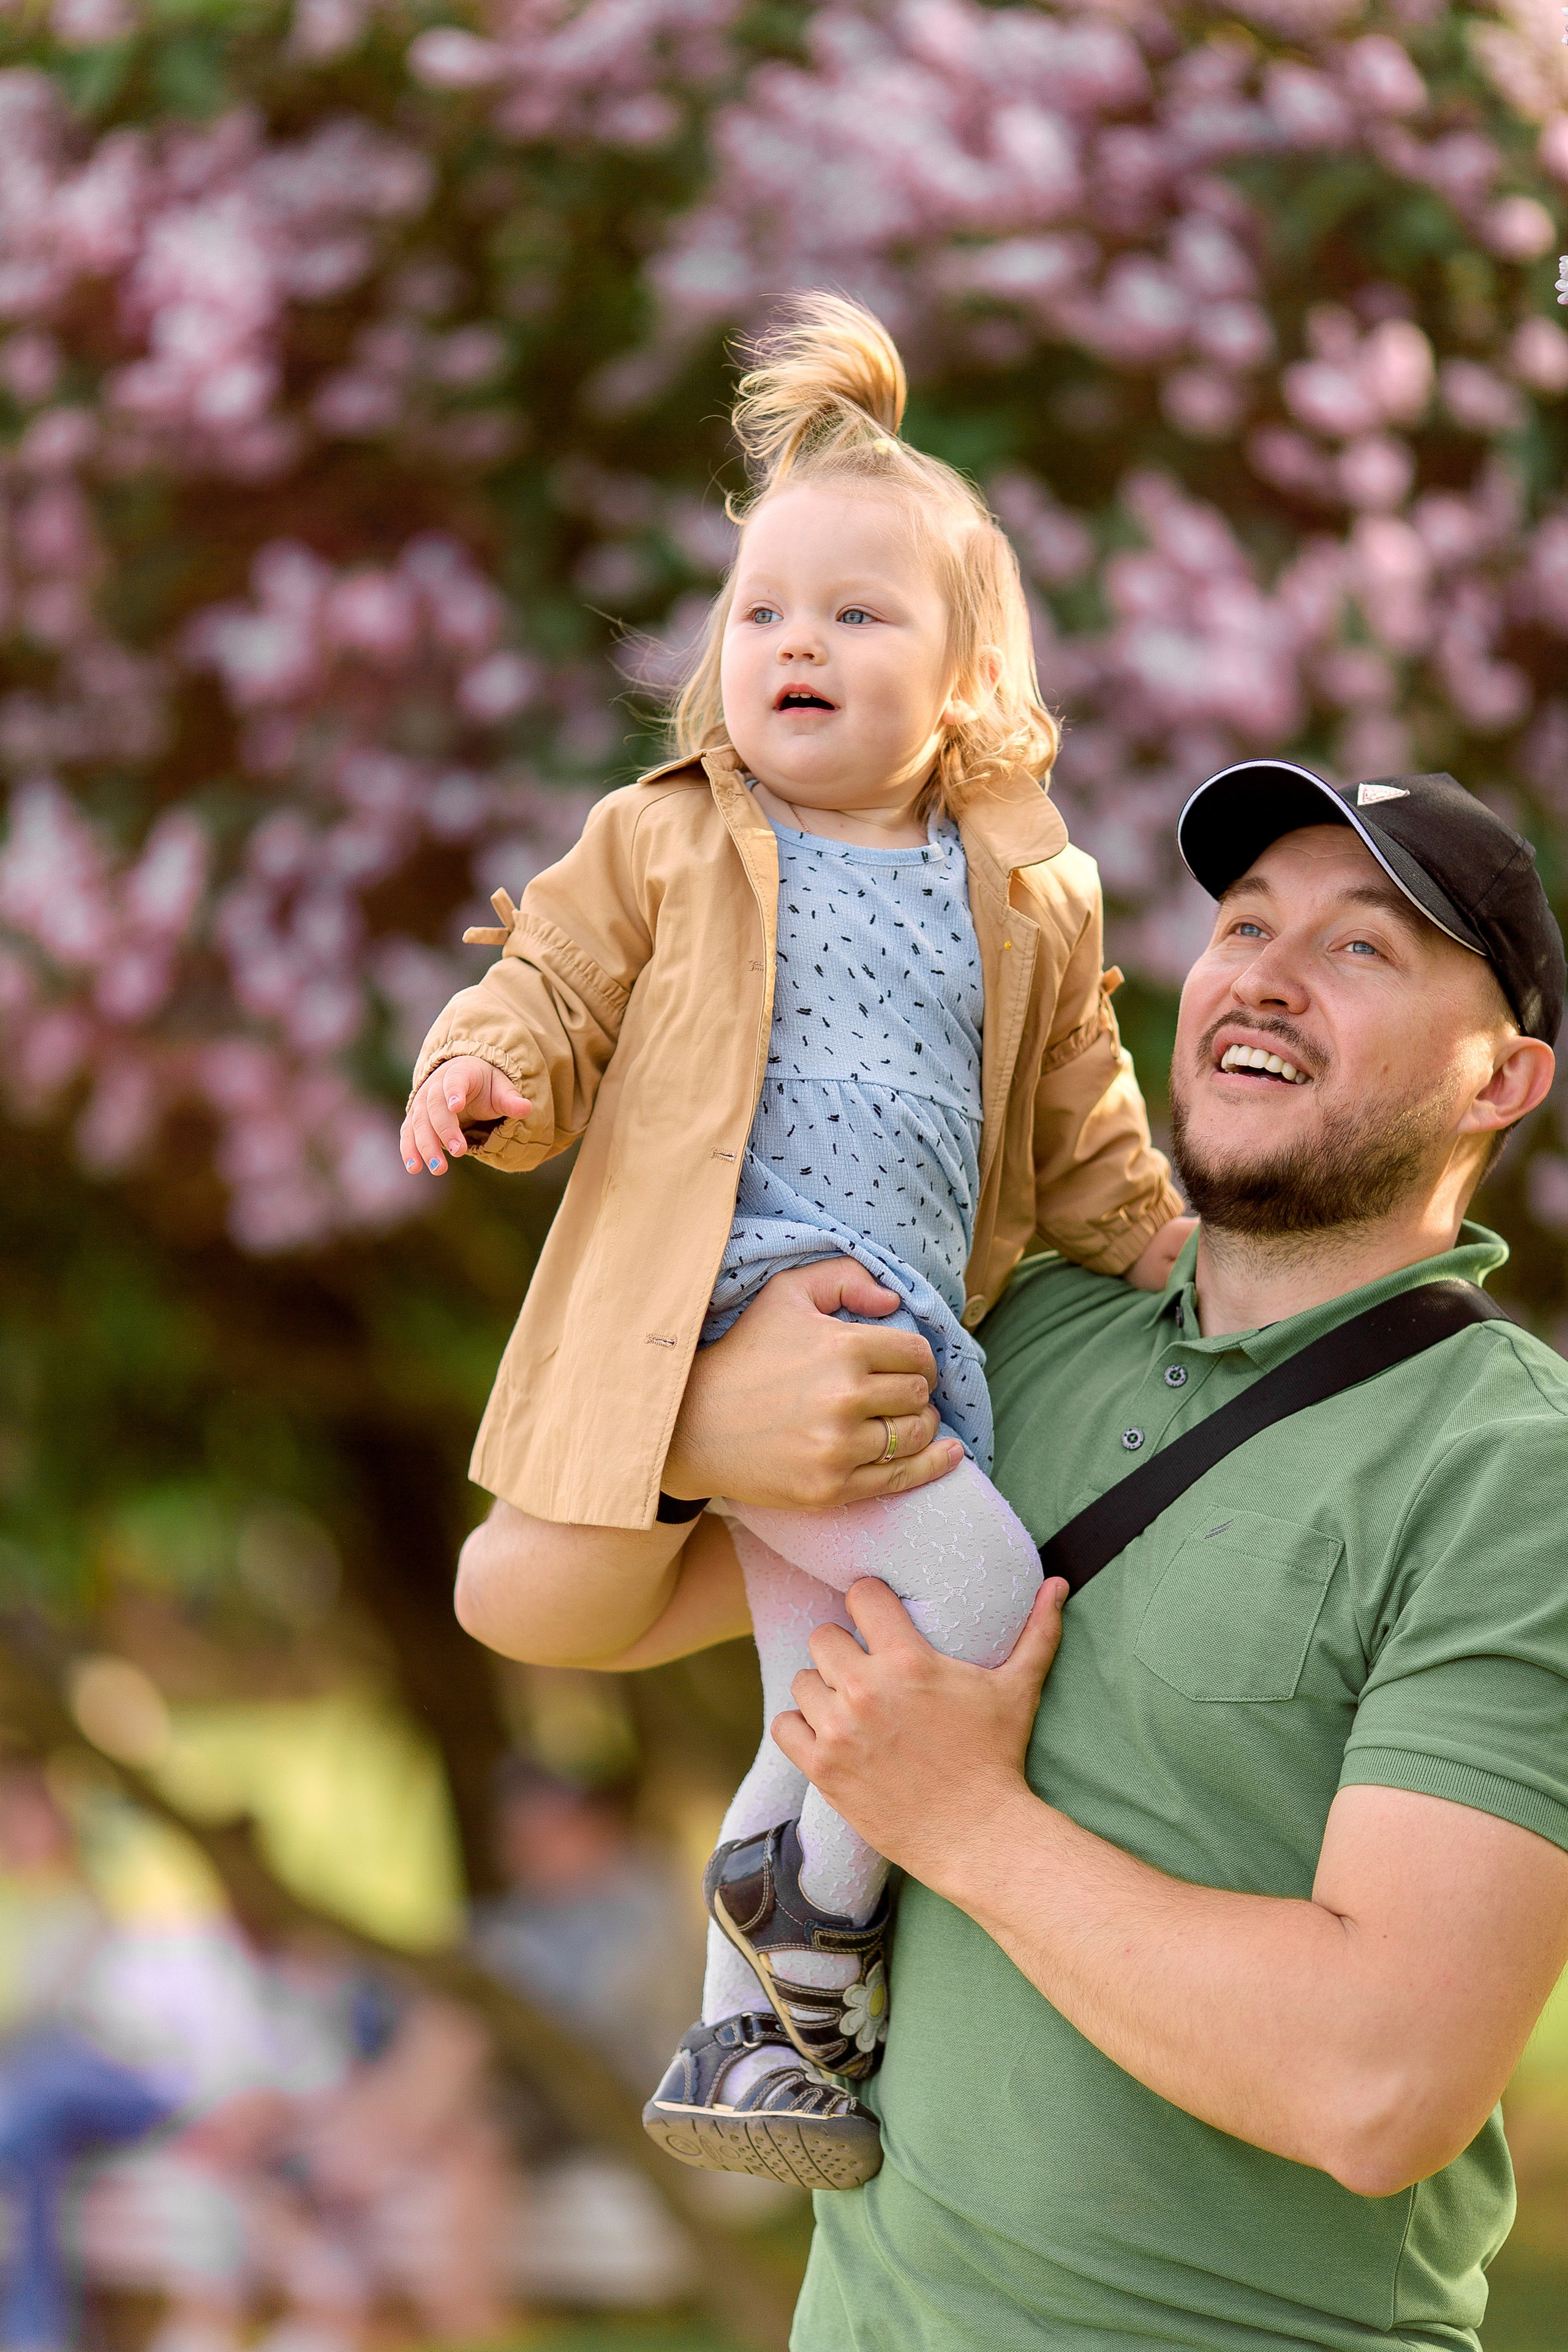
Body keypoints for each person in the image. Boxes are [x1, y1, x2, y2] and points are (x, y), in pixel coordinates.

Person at [454, 761, 1568, 2352]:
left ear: (1501, 1082)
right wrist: (691, 1429)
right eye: (1246, 924)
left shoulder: (1511, 1467)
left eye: (1362, 949)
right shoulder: (1003, 1333)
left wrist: (963, 1821)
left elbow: (1379, 2083)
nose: (1262, 970)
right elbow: (526, 1603)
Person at [401, 293, 1188, 2182]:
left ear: (968, 679)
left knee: (831, 1669)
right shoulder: (668, 837)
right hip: (742, 1299)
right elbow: (553, 989)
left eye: (856, 615)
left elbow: (1077, 1116)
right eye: (760, 614)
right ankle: (779, 1900)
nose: (794, 645)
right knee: (974, 1608)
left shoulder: (1029, 888)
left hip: (913, 1327)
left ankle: (760, 2036)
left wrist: (1170, 1246)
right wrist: (487, 1075)